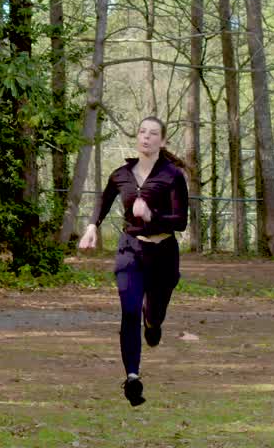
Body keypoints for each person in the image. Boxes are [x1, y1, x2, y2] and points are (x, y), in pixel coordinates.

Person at [78, 116, 189, 407]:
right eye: (142, 132)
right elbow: (103, 201)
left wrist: (153, 216)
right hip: (130, 251)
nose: (146, 138)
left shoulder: (172, 175)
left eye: (153, 134)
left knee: (154, 312)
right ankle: (132, 377)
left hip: (163, 253)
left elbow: (181, 221)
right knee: (129, 311)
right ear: (137, 138)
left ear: (162, 141)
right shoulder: (121, 174)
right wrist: (92, 227)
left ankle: (153, 322)